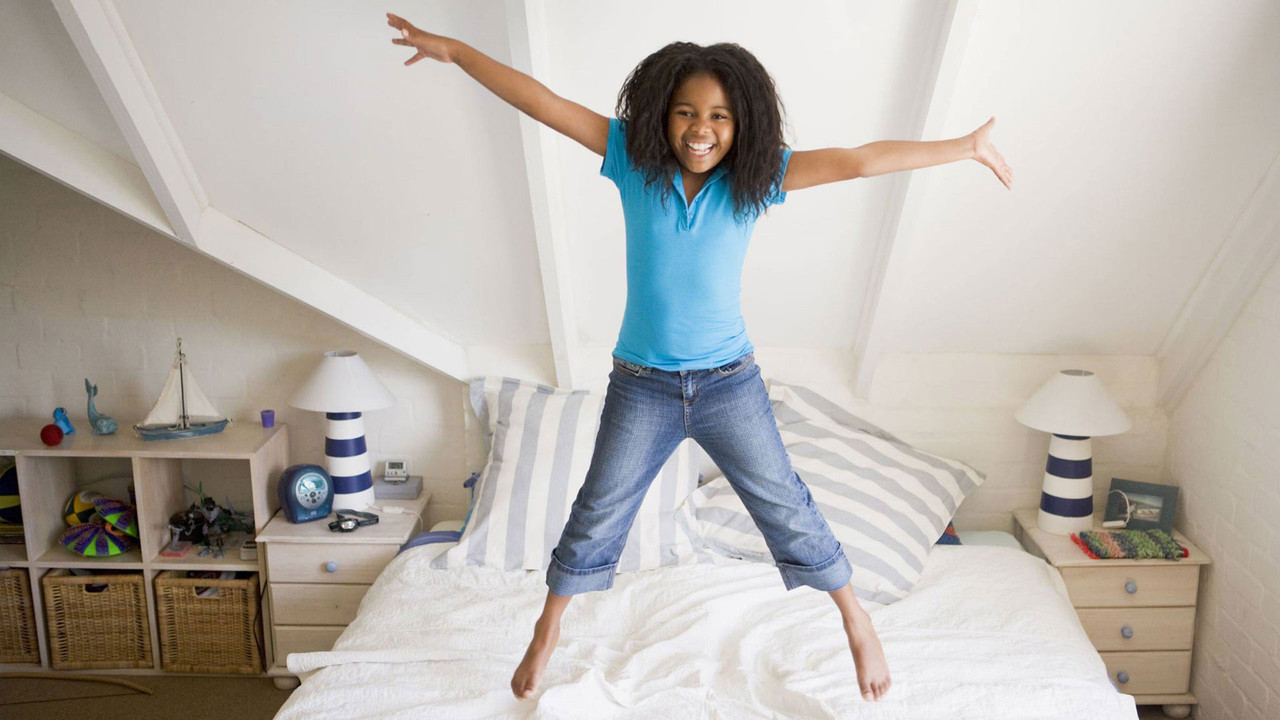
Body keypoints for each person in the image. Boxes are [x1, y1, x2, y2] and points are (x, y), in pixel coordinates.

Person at [387, 12, 1012, 705]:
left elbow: (860, 160)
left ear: (741, 123)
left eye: (718, 115)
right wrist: (456, 51)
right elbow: (543, 102)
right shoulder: (632, 161)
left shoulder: (758, 179)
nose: (700, 128)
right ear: (662, 113)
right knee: (599, 508)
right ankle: (547, 628)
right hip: (642, 388)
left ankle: (855, 619)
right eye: (686, 111)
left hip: (728, 386)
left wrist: (965, 147)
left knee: (786, 504)